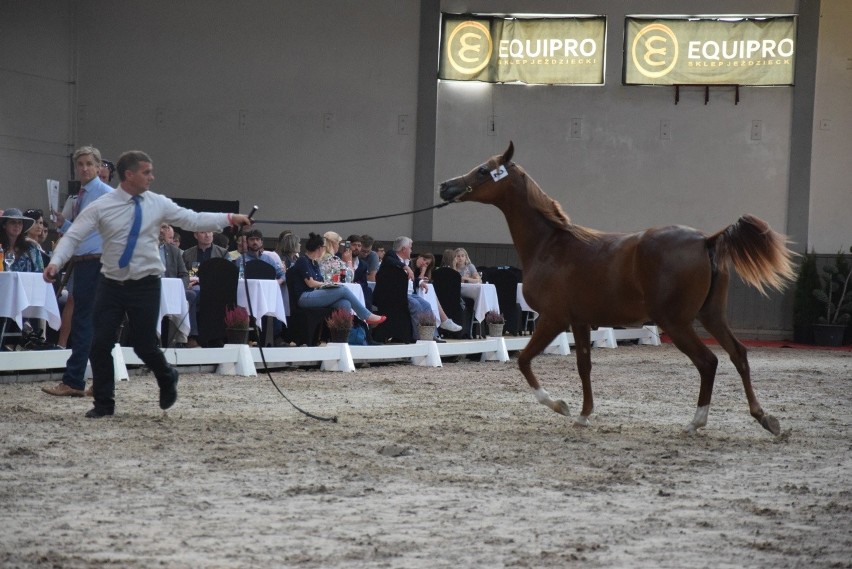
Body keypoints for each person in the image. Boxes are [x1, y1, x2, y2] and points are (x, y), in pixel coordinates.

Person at [43, 150, 253, 418]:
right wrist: (56, 262)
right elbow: (73, 236)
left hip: (146, 284)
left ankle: (167, 376)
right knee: (100, 343)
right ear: (130, 175)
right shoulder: (103, 205)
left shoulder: (158, 203)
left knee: (144, 344)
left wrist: (229, 219)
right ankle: (104, 404)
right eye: (147, 172)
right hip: (111, 282)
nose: (152, 177)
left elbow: (192, 219)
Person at [41, 146, 114, 397]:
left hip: (95, 261)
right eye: (80, 164)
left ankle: (73, 380)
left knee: (84, 321)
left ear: (97, 167)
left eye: (88, 164)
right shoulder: (84, 194)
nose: (84, 168)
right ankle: (101, 381)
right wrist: (65, 224)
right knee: (94, 322)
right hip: (90, 260)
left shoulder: (102, 193)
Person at [291, 232, 386, 326]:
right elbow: (310, 283)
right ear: (319, 248)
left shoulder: (314, 263)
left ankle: (342, 336)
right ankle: (366, 315)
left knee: (345, 303)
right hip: (305, 296)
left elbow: (319, 281)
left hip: (314, 293)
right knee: (343, 289)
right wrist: (326, 284)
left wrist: (327, 284)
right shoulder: (303, 261)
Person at [380, 236, 444, 340]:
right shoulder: (391, 257)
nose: (411, 250)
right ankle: (418, 337)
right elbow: (389, 259)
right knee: (417, 306)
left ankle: (432, 335)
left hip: (410, 293)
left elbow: (411, 280)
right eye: (410, 247)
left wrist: (420, 282)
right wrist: (405, 267)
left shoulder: (407, 261)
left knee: (427, 305)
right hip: (398, 294)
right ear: (403, 249)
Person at [181, 230, 228, 348]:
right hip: (194, 286)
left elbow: (227, 273)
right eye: (203, 232)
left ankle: (214, 336)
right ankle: (193, 336)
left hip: (216, 287)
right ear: (196, 235)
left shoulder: (222, 253)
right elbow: (183, 273)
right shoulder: (187, 254)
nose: (207, 235)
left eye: (210, 232)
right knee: (191, 295)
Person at [414, 252, 463, 333]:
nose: (424, 263)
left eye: (427, 263)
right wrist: (422, 272)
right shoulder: (410, 264)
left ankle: (439, 326)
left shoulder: (420, 269)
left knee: (430, 294)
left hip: (419, 293)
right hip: (411, 293)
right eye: (424, 259)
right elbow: (413, 282)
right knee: (430, 295)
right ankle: (444, 321)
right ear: (419, 256)